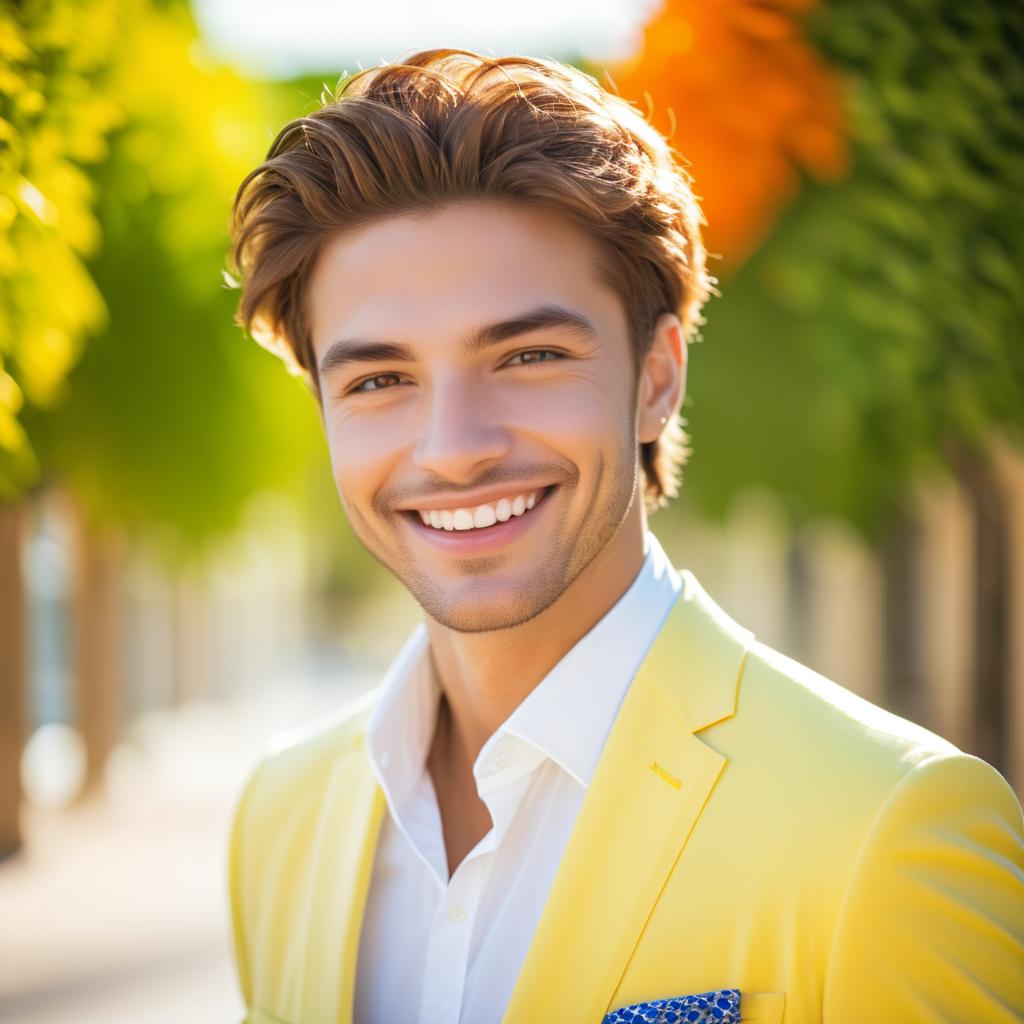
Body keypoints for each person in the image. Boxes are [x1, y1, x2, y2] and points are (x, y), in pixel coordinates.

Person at [224, 47, 1023, 1024]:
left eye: (528, 354)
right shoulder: (279, 816)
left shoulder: (891, 826)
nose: (455, 449)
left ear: (655, 378)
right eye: (379, 379)